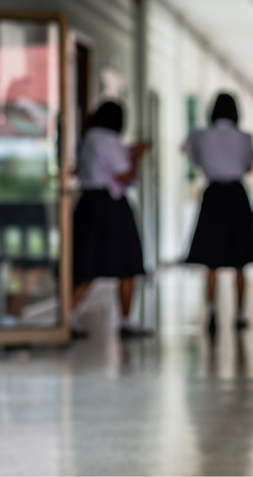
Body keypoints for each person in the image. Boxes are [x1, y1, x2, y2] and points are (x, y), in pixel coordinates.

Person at [71, 100, 153, 339]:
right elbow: (124, 174)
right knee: (127, 264)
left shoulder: (88, 139)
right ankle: (126, 320)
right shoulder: (108, 139)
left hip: (89, 203)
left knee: (89, 263)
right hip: (111, 205)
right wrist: (136, 156)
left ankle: (69, 314)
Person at [185, 93, 253, 332]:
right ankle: (239, 314)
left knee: (211, 260)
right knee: (240, 260)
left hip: (214, 195)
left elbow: (193, 158)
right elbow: (249, 165)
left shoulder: (201, 137)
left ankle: (212, 312)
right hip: (237, 196)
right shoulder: (244, 137)